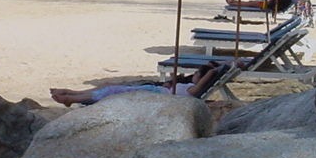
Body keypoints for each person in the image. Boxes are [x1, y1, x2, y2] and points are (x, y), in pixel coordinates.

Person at [49, 61, 233, 106]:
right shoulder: (191, 88)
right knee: (107, 88)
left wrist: (212, 71)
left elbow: (211, 73)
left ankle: (72, 98)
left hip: (153, 94)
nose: (193, 76)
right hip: (155, 90)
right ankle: (70, 93)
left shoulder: (194, 90)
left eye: (197, 74)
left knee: (111, 91)